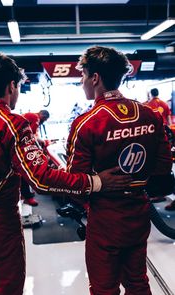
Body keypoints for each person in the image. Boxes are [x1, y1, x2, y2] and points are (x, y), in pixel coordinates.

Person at [0, 53, 132, 295]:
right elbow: (41, 179)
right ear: (12, 86)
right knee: (6, 289)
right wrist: (96, 182)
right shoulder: (13, 123)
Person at [66, 46, 172, 295]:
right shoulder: (150, 115)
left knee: (104, 288)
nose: (82, 83)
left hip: (104, 220)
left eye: (83, 76)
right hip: (138, 215)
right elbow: (163, 171)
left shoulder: (86, 123)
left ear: (95, 78)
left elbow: (75, 184)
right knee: (138, 284)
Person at [145, 88, 173, 203]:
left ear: (150, 94)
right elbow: (168, 120)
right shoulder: (165, 104)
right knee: (166, 162)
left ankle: (154, 192)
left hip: (152, 135)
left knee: (152, 162)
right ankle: (163, 190)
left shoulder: (147, 105)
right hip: (165, 134)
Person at [21, 109, 50, 206]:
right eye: (45, 119)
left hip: (17, 145)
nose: (44, 122)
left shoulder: (30, 115)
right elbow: (31, 137)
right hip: (21, 148)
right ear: (43, 116)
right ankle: (27, 197)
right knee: (25, 172)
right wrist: (42, 146)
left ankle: (24, 194)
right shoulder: (36, 118)